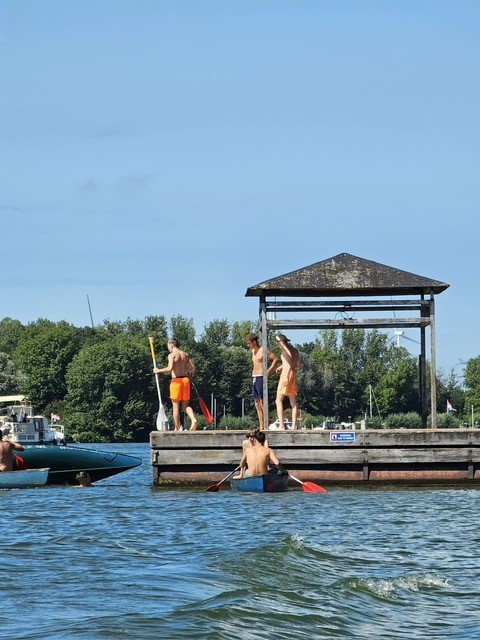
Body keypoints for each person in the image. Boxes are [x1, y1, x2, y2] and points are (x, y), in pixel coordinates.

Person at [153, 338, 198, 431]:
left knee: (176, 406)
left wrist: (158, 370)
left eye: (168, 347)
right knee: (185, 405)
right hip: (185, 380)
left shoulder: (172, 355)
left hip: (176, 381)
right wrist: (186, 370)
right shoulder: (185, 354)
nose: (168, 349)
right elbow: (193, 368)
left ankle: (177, 428)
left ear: (171, 345)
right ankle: (193, 419)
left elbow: (169, 368)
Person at [246, 332, 278, 431]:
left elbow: (275, 359)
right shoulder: (253, 351)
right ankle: (261, 425)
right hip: (254, 376)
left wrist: (268, 371)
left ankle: (266, 425)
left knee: (262, 401)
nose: (248, 345)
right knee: (257, 403)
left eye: (249, 343)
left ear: (254, 342)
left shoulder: (263, 350)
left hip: (261, 376)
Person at [275, 333, 301, 430]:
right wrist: (281, 367)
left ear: (281, 342)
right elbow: (298, 366)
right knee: (293, 401)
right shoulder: (295, 350)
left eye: (277, 342)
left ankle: (281, 425)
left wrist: (286, 374)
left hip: (286, 376)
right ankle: (294, 425)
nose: (277, 344)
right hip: (293, 375)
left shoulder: (286, 349)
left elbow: (289, 359)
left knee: (278, 400)